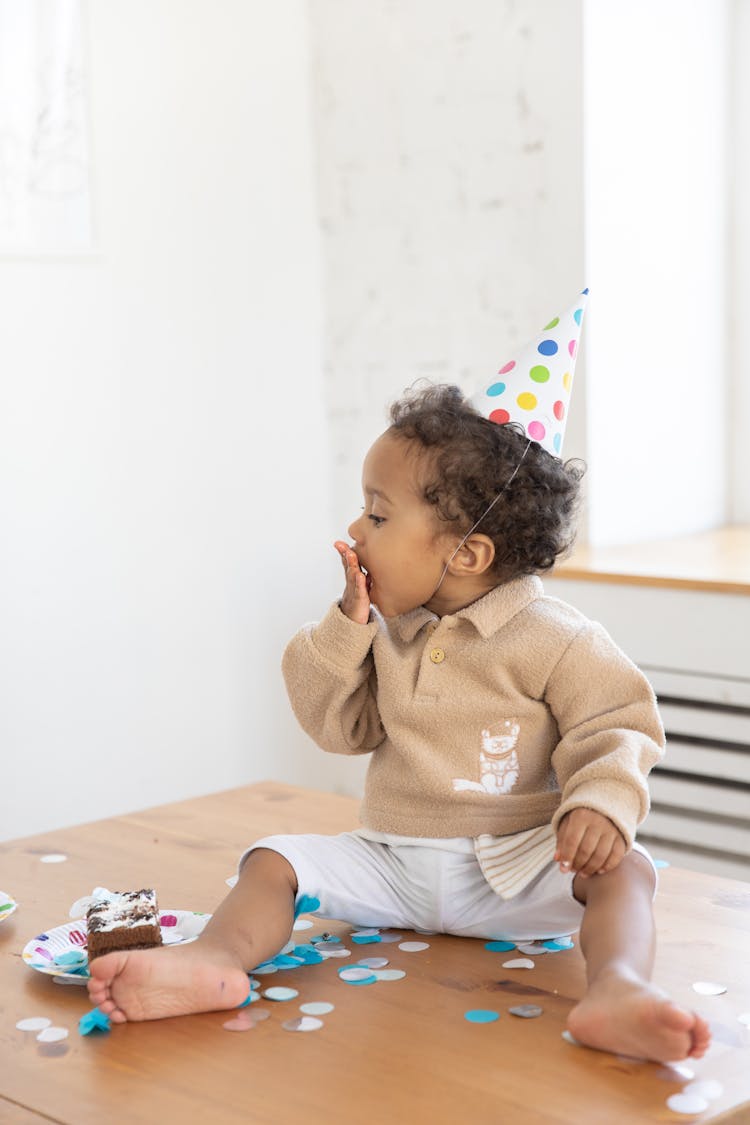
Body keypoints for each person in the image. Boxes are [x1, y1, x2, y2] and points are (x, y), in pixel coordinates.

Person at [87, 382, 711, 1064]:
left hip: (515, 866)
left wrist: (599, 802)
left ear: (467, 554)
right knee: (273, 859)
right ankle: (213, 960)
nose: (356, 530)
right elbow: (340, 729)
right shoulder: (382, 629)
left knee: (627, 869)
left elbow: (618, 720)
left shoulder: (556, 636)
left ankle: (617, 989)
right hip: (392, 859)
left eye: (378, 517)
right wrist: (346, 630)